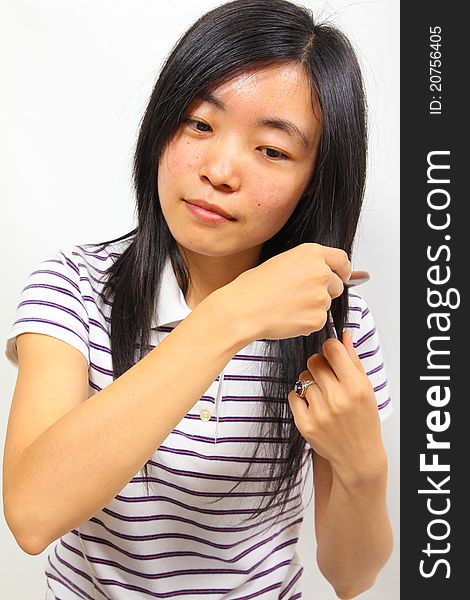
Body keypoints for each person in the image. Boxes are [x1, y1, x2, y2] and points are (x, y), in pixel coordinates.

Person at [3, 0, 394, 598]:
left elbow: (350, 576)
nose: (218, 169)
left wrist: (364, 469)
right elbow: (31, 515)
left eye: (272, 150)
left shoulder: (333, 323)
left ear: (317, 179)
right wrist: (229, 318)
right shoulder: (74, 286)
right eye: (199, 124)